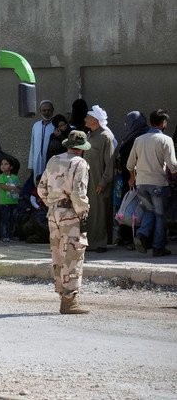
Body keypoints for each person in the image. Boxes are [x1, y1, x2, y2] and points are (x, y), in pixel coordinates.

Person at [37, 130, 91, 315]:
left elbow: (41, 188)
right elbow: (78, 193)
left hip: (53, 213)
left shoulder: (53, 160)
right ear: (81, 149)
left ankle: (63, 297)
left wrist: (53, 204)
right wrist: (82, 212)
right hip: (71, 214)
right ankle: (70, 301)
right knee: (73, 255)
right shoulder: (80, 163)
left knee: (58, 254)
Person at [127, 109, 177, 257]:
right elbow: (173, 165)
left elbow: (130, 164)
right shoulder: (166, 140)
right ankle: (158, 247)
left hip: (141, 184)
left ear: (150, 122)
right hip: (158, 184)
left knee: (150, 211)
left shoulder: (139, 139)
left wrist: (132, 177)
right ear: (163, 123)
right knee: (160, 216)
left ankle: (142, 234)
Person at [114, 111, 149, 247]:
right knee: (127, 207)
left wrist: (132, 176)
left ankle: (133, 237)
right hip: (127, 179)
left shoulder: (137, 138)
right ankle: (126, 236)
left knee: (134, 209)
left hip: (133, 179)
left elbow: (134, 160)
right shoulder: (132, 136)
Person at [84, 105, 116, 252]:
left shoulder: (106, 137)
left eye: (88, 118)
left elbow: (110, 163)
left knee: (100, 213)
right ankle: (90, 242)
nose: (85, 120)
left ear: (95, 120)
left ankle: (100, 243)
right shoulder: (90, 135)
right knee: (90, 212)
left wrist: (103, 181)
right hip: (88, 180)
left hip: (99, 181)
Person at [28, 100, 55, 180]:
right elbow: (32, 146)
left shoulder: (55, 125)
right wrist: (31, 165)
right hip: (37, 161)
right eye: (44, 110)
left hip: (52, 161)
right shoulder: (36, 126)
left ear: (53, 110)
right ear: (40, 111)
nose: (47, 112)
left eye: (49, 110)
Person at [0, 158, 20, 242]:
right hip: (4, 202)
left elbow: (19, 187)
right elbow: (3, 186)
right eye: (2, 164)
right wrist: (14, 188)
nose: (3, 166)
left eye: (6, 164)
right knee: (5, 219)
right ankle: (4, 236)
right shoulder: (1, 177)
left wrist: (17, 189)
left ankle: (11, 235)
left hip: (14, 201)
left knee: (13, 219)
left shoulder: (15, 177)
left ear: (11, 167)